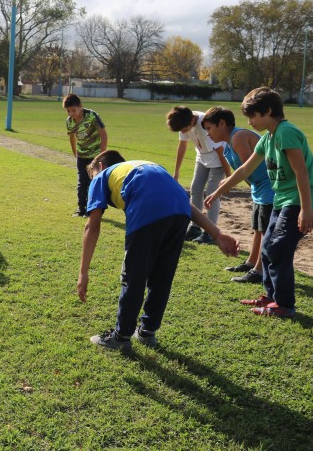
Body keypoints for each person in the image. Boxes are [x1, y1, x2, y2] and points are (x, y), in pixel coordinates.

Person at [77, 150, 239, 351]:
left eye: (92, 174)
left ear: (100, 166)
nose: (93, 179)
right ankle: (147, 332)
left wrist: (83, 272)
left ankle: (121, 337)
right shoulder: (144, 165)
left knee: (134, 277)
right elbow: (182, 201)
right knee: (162, 276)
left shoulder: (102, 175)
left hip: (147, 210)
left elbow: (92, 226)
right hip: (179, 213)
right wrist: (216, 233)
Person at [206, 88, 313, 318]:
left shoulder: (286, 132)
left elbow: (301, 172)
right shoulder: (268, 137)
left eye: (253, 116)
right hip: (281, 200)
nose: (250, 122)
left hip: (297, 200)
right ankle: (271, 297)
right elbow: (245, 168)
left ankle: (284, 305)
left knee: (277, 248)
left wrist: (306, 208)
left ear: (269, 111)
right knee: (267, 248)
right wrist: (218, 191)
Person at [201, 106, 275, 283]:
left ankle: (259, 271)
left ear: (222, 123)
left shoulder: (239, 136)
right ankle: (251, 263)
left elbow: (247, 168)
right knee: (258, 227)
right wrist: (226, 182)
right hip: (259, 188)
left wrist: (222, 187)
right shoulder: (227, 144)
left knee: (265, 229)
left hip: (270, 187)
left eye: (210, 128)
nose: (208, 134)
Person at [167, 105, 225, 244]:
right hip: (202, 156)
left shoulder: (206, 125)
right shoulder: (183, 121)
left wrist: (228, 175)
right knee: (196, 190)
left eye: (184, 129)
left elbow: (220, 150)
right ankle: (195, 228)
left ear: (192, 121)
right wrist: (176, 172)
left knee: (212, 194)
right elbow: (182, 146)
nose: (183, 132)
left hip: (219, 159)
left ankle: (210, 233)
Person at [63, 94, 108, 217]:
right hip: (81, 156)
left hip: (95, 156)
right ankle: (81, 208)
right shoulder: (69, 122)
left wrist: (101, 154)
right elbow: (72, 136)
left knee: (94, 182)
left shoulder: (92, 116)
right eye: (68, 111)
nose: (71, 113)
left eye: (73, 110)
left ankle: (93, 209)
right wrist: (74, 151)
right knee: (82, 182)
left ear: (80, 107)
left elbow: (103, 134)